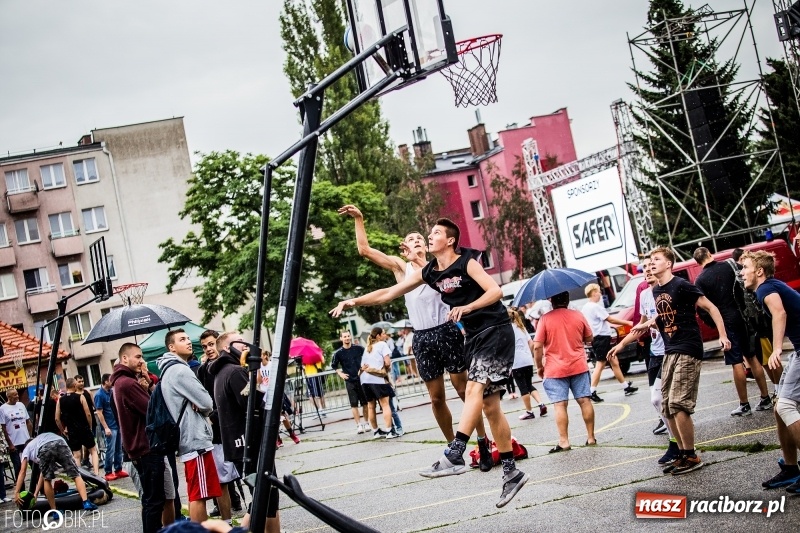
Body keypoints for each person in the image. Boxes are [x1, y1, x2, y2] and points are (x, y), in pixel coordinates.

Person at [331, 218, 528, 508]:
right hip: (473, 336)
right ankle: (511, 472)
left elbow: (496, 291)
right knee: (489, 406)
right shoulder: (429, 272)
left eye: (434, 233)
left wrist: (467, 307)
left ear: (449, 240)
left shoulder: (466, 262)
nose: (428, 236)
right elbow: (389, 293)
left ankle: (456, 452)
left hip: (494, 330)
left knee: (471, 390)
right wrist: (354, 301)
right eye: (428, 233)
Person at [339, 205, 492, 470]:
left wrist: (419, 260)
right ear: (405, 247)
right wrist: (360, 219)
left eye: (420, 237)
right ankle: (453, 452)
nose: (416, 240)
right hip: (422, 336)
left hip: (447, 330)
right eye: (411, 238)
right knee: (436, 398)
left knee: (463, 390)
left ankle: (482, 441)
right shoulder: (402, 268)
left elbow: (435, 279)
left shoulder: (439, 265)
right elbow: (365, 250)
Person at [632, 247, 731, 476]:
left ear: (668, 264)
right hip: (670, 349)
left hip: (688, 346)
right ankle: (681, 453)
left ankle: (691, 455)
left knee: (678, 403)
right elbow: (665, 314)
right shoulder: (657, 290)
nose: (651, 263)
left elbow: (711, 307)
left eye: (656, 259)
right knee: (666, 405)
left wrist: (723, 335)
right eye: (650, 260)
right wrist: (647, 324)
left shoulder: (681, 285)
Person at [609, 257, 680, 465]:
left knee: (664, 400)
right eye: (645, 268)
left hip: (671, 351)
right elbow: (640, 326)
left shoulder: (668, 292)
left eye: (651, 266)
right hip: (655, 353)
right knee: (657, 400)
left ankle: (679, 444)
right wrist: (621, 345)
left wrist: (656, 324)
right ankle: (675, 441)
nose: (648, 270)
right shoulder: (645, 295)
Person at [740, 250, 800, 493]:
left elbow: (779, 313)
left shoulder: (765, 288)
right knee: (779, 408)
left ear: (759, 271)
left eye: (745, 267)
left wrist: (776, 349)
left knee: (785, 406)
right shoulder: (770, 286)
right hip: (798, 351)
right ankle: (791, 467)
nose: (742, 273)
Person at [212, 331, 281, 533]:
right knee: (265, 499)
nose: (244, 344)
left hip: (242, 444)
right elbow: (252, 404)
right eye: (239, 341)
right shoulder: (233, 371)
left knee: (266, 500)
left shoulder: (225, 371)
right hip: (247, 444)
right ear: (227, 348)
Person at [693, 247, 772, 415]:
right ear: (710, 254)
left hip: (726, 323)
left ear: (697, 262)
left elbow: (702, 310)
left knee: (736, 362)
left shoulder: (700, 280)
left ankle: (744, 405)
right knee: (752, 357)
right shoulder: (729, 266)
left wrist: (716, 325)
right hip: (743, 317)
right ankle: (765, 398)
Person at [158, 328, 221, 522]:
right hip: (194, 439)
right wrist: (201, 404)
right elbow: (207, 402)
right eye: (182, 339)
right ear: (172, 347)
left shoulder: (168, 369)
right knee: (199, 495)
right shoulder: (179, 370)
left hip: (188, 437)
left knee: (199, 493)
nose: (188, 342)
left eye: (187, 338)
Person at [112, 343, 176, 532]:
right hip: (146, 448)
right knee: (154, 502)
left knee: (154, 500)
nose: (142, 361)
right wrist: (147, 390)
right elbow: (152, 411)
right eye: (138, 357)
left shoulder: (122, 382)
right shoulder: (128, 383)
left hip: (141, 449)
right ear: (125, 358)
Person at [533, 291, 597, 451]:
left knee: (560, 405)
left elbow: (537, 346)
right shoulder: (578, 315)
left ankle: (564, 441)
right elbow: (590, 338)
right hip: (578, 365)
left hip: (555, 369)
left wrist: (539, 366)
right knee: (585, 401)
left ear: (552, 301)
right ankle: (591, 438)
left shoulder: (545, 319)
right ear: (568, 301)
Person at [197, 329, 244, 522]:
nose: (208, 349)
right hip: (216, 432)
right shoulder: (202, 371)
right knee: (222, 480)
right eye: (204, 346)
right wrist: (211, 416)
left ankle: (252, 510)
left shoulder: (234, 365)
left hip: (236, 430)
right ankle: (226, 521)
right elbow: (202, 399)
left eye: (210, 344)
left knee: (245, 473)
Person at [13, 432, 98, 522]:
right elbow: (43, 473)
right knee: (76, 474)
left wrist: (17, 492)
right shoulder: (38, 441)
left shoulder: (27, 449)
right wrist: (36, 494)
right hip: (60, 442)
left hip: (45, 448)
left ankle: (54, 511)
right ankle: (86, 502)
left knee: (47, 480)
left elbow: (22, 471)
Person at [582, 283, 636, 403]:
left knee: (614, 362)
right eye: (598, 291)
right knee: (600, 364)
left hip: (597, 338)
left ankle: (626, 387)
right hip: (602, 338)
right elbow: (610, 319)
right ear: (593, 293)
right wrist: (627, 323)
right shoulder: (595, 307)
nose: (600, 294)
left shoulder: (585, 307)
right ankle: (591, 391)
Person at [358, 327, 402, 439]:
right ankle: (389, 431)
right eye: (383, 333)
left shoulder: (367, 347)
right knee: (385, 405)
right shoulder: (382, 344)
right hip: (377, 378)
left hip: (365, 379)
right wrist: (387, 367)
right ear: (378, 336)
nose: (385, 335)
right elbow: (387, 362)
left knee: (371, 406)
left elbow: (363, 365)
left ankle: (376, 431)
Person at [257, 349, 302, 447]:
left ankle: (292, 434)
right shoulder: (259, 367)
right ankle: (277, 439)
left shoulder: (271, 365)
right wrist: (258, 369)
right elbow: (259, 381)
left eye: (260, 355)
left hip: (274, 393)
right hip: (264, 395)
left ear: (264, 356)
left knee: (282, 415)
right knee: (269, 417)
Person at [55, 378, 99, 475]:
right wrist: (90, 426)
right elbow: (88, 414)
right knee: (93, 450)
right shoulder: (80, 397)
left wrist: (62, 430)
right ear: (74, 385)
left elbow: (57, 419)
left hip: (72, 430)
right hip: (84, 428)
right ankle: (96, 473)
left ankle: (81, 476)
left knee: (76, 455)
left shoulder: (60, 400)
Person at [509, 309, 548, 420]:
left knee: (523, 387)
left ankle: (529, 411)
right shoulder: (521, 327)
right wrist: (527, 353)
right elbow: (531, 343)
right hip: (527, 360)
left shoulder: (507, 330)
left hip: (517, 361)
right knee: (529, 385)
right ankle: (541, 404)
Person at [331, 330, 370, 433]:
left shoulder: (358, 348)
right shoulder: (338, 353)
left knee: (365, 403)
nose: (347, 338)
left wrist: (364, 367)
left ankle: (366, 423)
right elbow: (334, 365)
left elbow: (367, 356)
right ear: (341, 338)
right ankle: (359, 425)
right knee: (354, 404)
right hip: (350, 381)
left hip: (362, 379)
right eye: (344, 337)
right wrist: (340, 374)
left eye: (348, 336)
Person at [94, 373, 128, 481]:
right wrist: (106, 427)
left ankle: (118, 469)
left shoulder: (112, 392)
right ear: (105, 382)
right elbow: (99, 413)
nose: (112, 382)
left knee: (119, 448)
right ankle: (108, 471)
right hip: (110, 426)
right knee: (110, 449)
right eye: (110, 380)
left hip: (117, 424)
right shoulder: (99, 395)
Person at [0, 388, 33, 480]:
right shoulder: (2, 409)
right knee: (18, 467)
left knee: (33, 463)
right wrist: (10, 444)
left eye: (17, 394)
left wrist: (31, 437)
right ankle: (20, 487)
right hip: (14, 443)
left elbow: (28, 422)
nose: (17, 396)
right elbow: (3, 428)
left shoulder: (21, 405)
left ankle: (38, 485)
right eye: (14, 395)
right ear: (9, 397)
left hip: (26, 440)